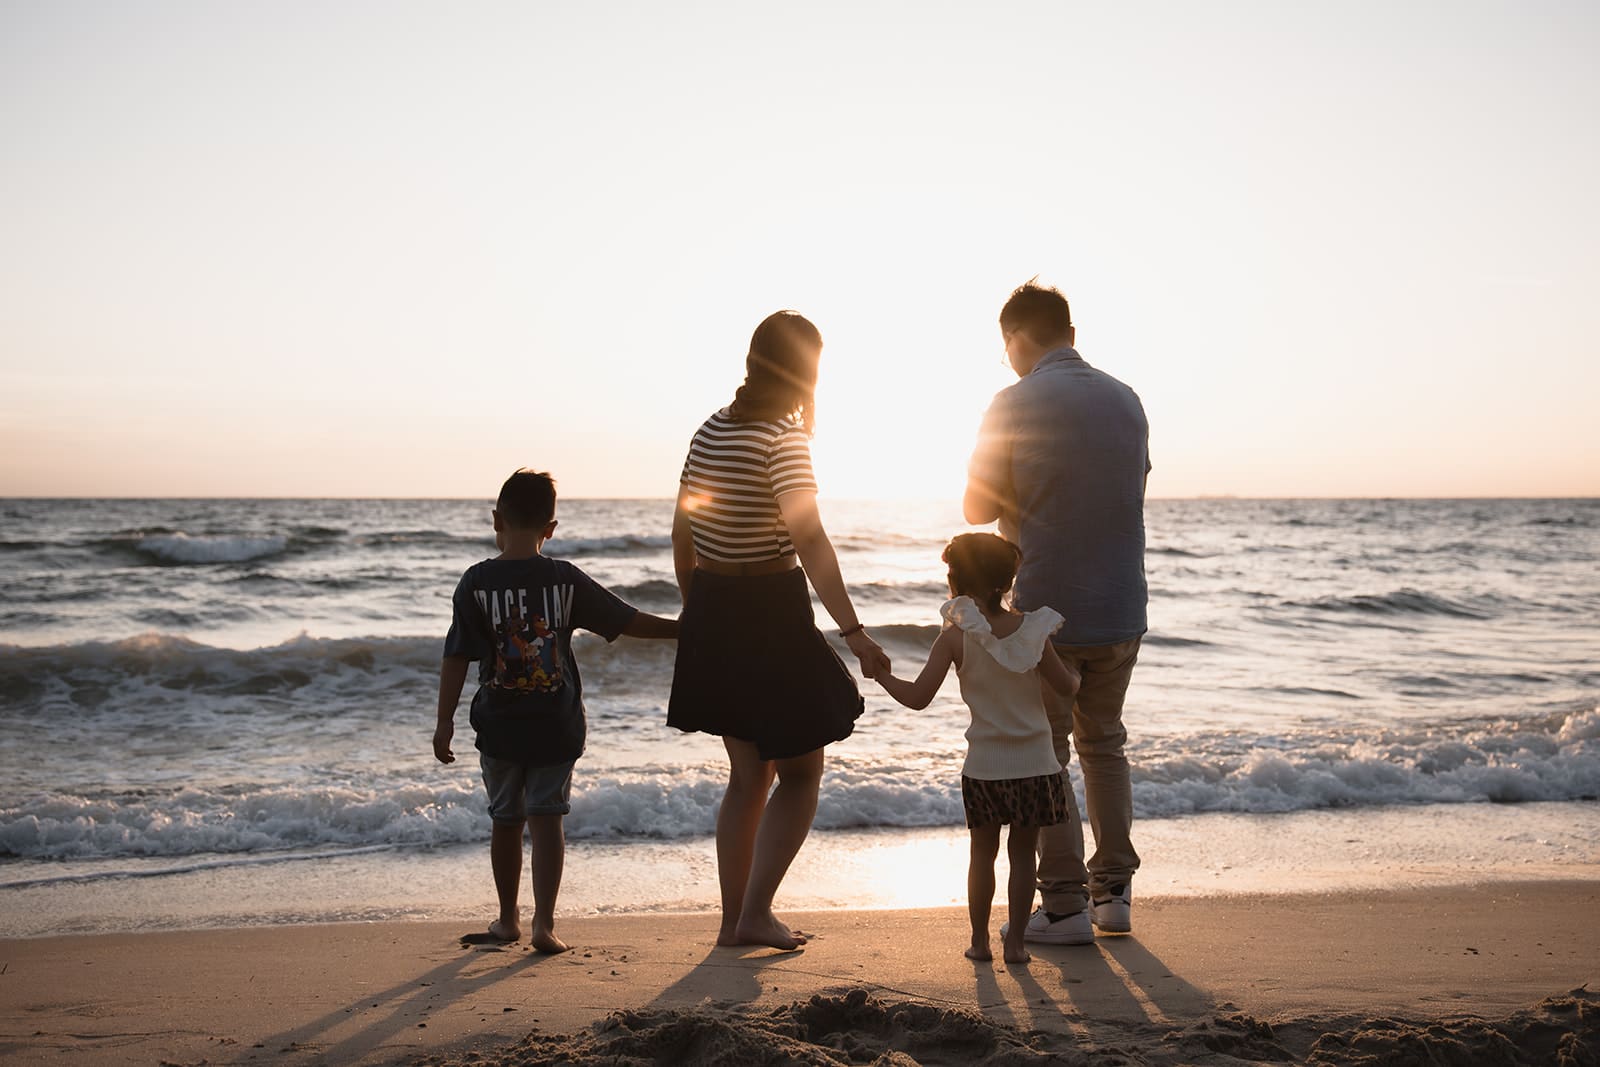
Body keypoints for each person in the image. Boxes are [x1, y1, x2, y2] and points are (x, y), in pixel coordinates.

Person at [667, 310, 891, 951]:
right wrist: (854, 632)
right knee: (800, 772)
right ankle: (756, 914)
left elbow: (683, 532)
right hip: (769, 605)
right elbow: (811, 539)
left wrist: (699, 611)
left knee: (748, 775)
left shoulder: (709, 431)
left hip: (716, 603)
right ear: (805, 371)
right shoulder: (782, 439)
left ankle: (734, 920)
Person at [964, 280, 1150, 944]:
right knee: (1105, 743)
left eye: (1004, 344)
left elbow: (974, 508)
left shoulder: (1013, 402)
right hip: (1124, 606)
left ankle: (1066, 903)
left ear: (1016, 338)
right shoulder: (1128, 400)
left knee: (1049, 751)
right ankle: (1116, 895)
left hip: (1050, 609)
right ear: (1069, 331)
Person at [433, 469, 678, 953]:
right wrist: (683, 630)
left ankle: (507, 920)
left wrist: (444, 723)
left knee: (505, 821)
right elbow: (626, 620)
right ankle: (545, 924)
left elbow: (456, 655)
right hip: (557, 724)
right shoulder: (565, 580)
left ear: (496, 519)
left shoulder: (476, 582)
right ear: (551, 528)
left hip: (499, 726)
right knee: (547, 821)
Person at [873, 533, 1080, 965]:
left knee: (981, 855)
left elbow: (917, 697)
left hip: (984, 767)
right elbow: (1065, 688)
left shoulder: (954, 638)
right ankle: (1017, 945)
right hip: (1037, 765)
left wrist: (882, 677)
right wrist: (1077, 675)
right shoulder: (1035, 630)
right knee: (1023, 856)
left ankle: (980, 943)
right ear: (1007, 581)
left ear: (958, 582)